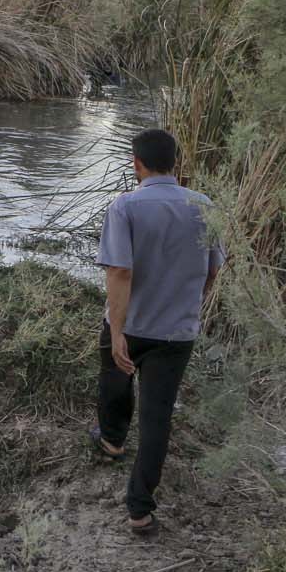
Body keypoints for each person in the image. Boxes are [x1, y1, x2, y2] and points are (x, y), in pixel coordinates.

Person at [90, 128, 224, 536]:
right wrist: (191, 302)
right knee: (157, 417)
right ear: (176, 164)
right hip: (176, 332)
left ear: (137, 164)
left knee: (113, 374)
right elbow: (214, 268)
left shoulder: (125, 206)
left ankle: (112, 441)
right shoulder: (204, 205)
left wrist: (117, 331)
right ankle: (140, 511)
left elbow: (119, 271)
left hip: (132, 324)